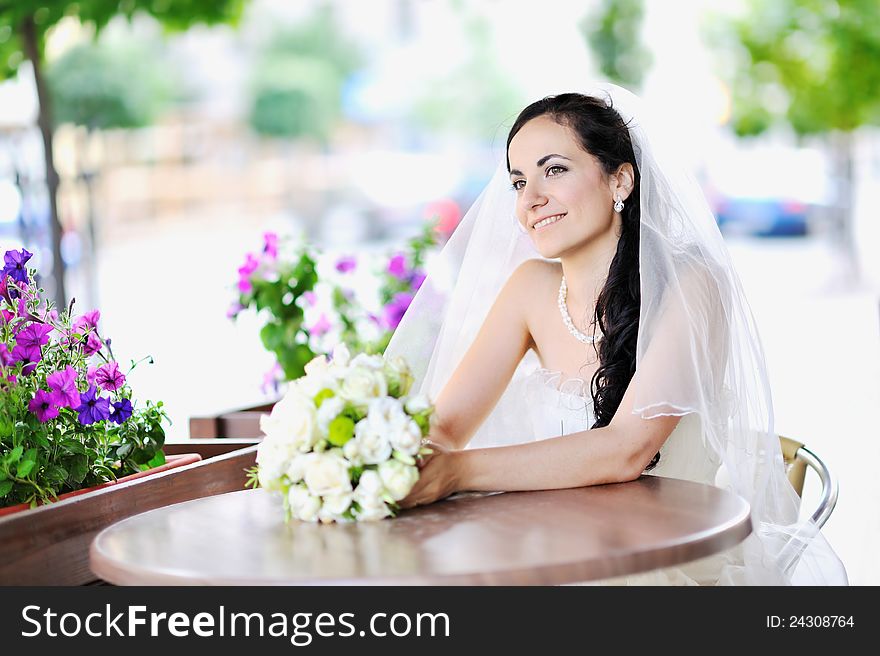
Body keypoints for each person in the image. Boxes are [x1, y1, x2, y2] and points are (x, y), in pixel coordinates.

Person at [386, 83, 848, 585]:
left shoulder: (690, 285)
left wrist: (456, 473)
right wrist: (378, 465)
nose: (531, 200)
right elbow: (446, 429)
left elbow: (626, 448)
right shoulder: (529, 289)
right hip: (551, 542)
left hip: (661, 557)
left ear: (620, 181)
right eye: (518, 182)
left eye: (554, 170)